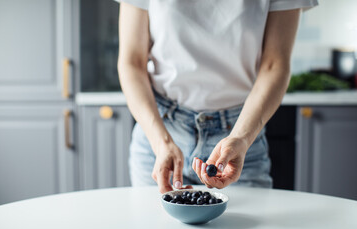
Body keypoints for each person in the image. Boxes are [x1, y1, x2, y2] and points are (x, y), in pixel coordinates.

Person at [117, 0, 318, 193]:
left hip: (239, 137)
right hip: (161, 133)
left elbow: (275, 65)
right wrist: (161, 142)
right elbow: (132, 62)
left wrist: (241, 138)